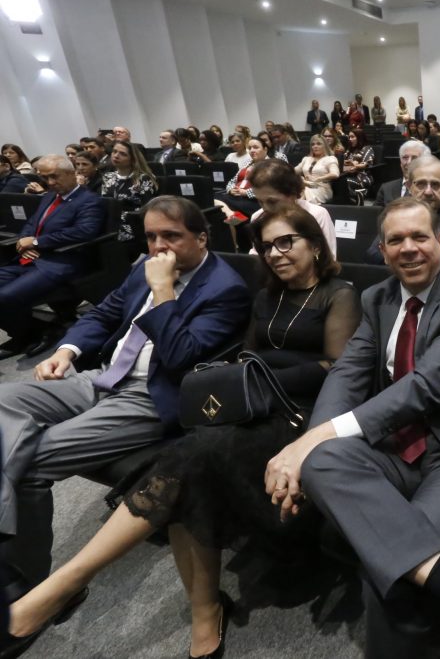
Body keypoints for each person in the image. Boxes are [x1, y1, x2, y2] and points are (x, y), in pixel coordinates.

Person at [4, 206, 357, 658]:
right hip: (248, 405)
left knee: (185, 462)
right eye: (267, 246)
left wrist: (254, 375)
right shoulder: (267, 295)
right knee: (184, 465)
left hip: (299, 415)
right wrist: (242, 379)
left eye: (287, 242)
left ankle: (67, 583)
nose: (275, 253)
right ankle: (202, 607)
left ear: (314, 244)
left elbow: (333, 368)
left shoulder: (337, 294)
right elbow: (244, 356)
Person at [262, 197, 440, 659]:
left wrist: (311, 441)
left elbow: (425, 388)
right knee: (321, 459)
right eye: (396, 239)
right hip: (396, 448)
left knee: (391, 576)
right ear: (382, 249)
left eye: (419, 237)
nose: (409, 248)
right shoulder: (378, 298)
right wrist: (307, 446)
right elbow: (346, 374)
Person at [0, 197, 250, 621]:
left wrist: (164, 291)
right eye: (152, 236)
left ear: (201, 237)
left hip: (151, 396)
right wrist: (67, 349)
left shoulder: (226, 289)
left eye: (172, 236)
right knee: (6, 399)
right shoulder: (142, 269)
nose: (159, 246)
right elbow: (103, 314)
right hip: (103, 376)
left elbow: (179, 359)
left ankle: (31, 587)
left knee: (35, 460)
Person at [0, 155, 106, 359]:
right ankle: (37, 331)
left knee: (5, 297)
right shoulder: (49, 196)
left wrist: (38, 242)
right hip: (30, 259)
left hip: (61, 261)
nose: (49, 183)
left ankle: (31, 333)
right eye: (45, 178)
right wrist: (24, 241)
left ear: (71, 173)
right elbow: (32, 224)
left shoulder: (89, 200)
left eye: (54, 177)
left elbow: (84, 232)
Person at [366, 155, 440, 267]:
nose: (428, 192)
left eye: (435, 184)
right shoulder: (393, 217)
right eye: (421, 184)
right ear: (409, 186)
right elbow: (372, 255)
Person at [101, 140, 158, 244]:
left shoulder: (143, 179)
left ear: (132, 159)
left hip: (132, 225)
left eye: (122, 154)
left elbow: (148, 208)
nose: (116, 156)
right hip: (110, 222)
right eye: (114, 151)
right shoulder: (108, 177)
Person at [220, 138, 271, 218]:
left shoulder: (271, 165)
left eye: (255, 147)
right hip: (237, 197)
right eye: (250, 148)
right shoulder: (247, 163)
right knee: (216, 198)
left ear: (265, 149)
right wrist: (231, 189)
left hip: (255, 201)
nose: (252, 150)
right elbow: (232, 181)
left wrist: (246, 192)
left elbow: (269, 188)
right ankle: (234, 219)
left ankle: (234, 219)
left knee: (223, 204)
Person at [376, 140, 430, 206]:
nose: (409, 162)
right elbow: (375, 215)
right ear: (400, 163)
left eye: (414, 158)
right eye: (405, 157)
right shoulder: (386, 189)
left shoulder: (432, 190)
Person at [294, 135, 340, 205]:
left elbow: (335, 174)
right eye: (313, 144)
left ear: (324, 145)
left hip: (321, 188)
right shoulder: (306, 159)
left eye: (319, 144)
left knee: (303, 193)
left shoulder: (330, 158)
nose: (315, 146)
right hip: (305, 186)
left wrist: (318, 179)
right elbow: (294, 171)